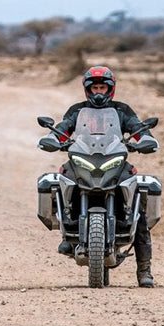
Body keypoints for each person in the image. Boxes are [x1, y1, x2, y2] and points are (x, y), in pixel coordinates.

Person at [49, 65, 156, 287]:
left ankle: (144, 269)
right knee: (62, 176)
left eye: (102, 88)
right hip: (84, 157)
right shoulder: (77, 111)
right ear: (88, 89)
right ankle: (68, 234)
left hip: (114, 159)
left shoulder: (122, 110)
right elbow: (64, 128)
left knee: (139, 205)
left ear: (111, 89)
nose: (99, 92)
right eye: (95, 87)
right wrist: (53, 138)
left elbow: (137, 128)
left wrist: (145, 138)